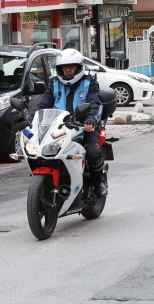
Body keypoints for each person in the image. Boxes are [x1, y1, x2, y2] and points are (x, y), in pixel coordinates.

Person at [29, 49, 107, 198]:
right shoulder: (55, 83)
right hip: (61, 127)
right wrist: (30, 119)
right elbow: (43, 105)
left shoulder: (89, 82)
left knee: (92, 151)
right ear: (60, 68)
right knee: (42, 151)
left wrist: (90, 118)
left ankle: (98, 184)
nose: (68, 69)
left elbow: (95, 103)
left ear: (79, 67)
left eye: (72, 66)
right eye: (65, 67)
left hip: (85, 126)